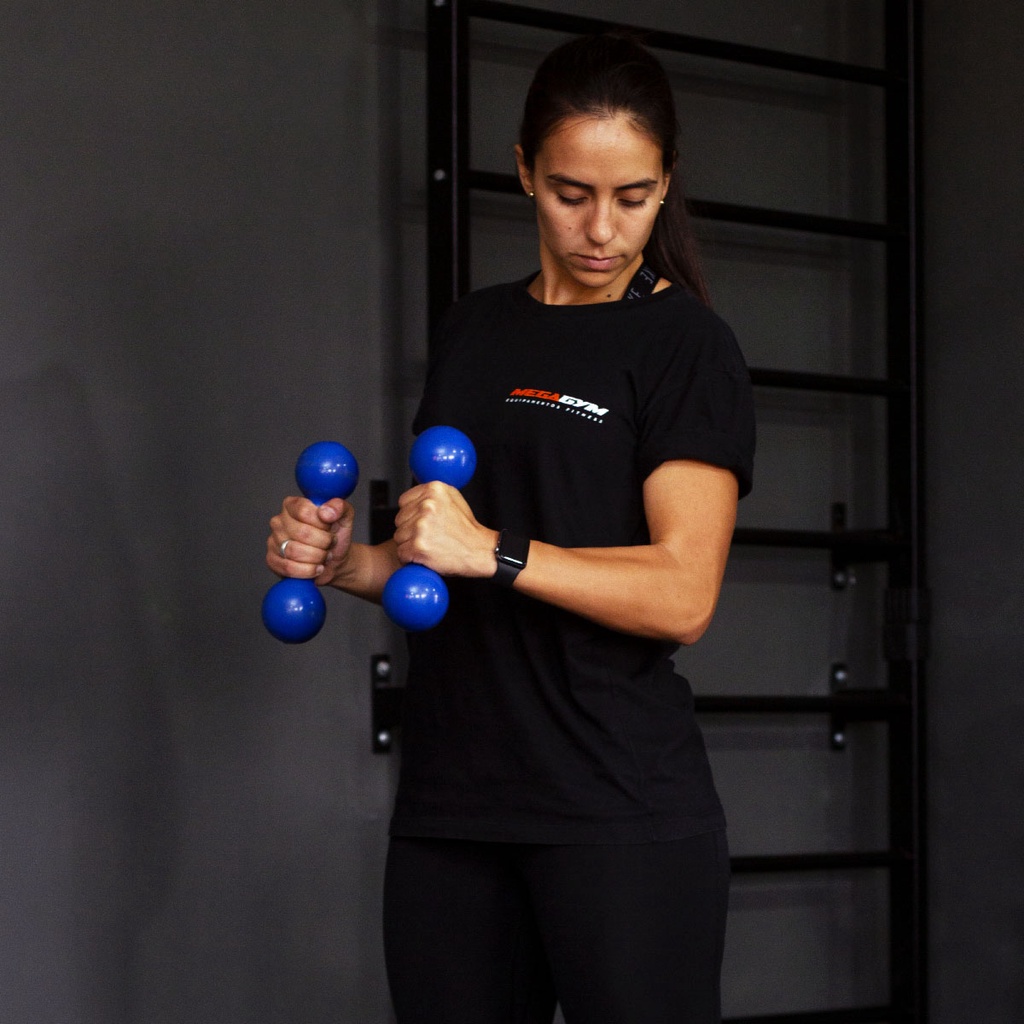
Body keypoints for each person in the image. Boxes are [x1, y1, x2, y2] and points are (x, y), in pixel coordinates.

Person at [267, 31, 755, 1024]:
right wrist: (344, 561)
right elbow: (435, 559)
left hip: (614, 803)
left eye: (633, 197)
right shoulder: (474, 330)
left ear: (666, 184)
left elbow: (683, 595)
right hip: (455, 802)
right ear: (525, 169)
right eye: (572, 193)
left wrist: (493, 550)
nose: (602, 230)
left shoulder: (686, 345)